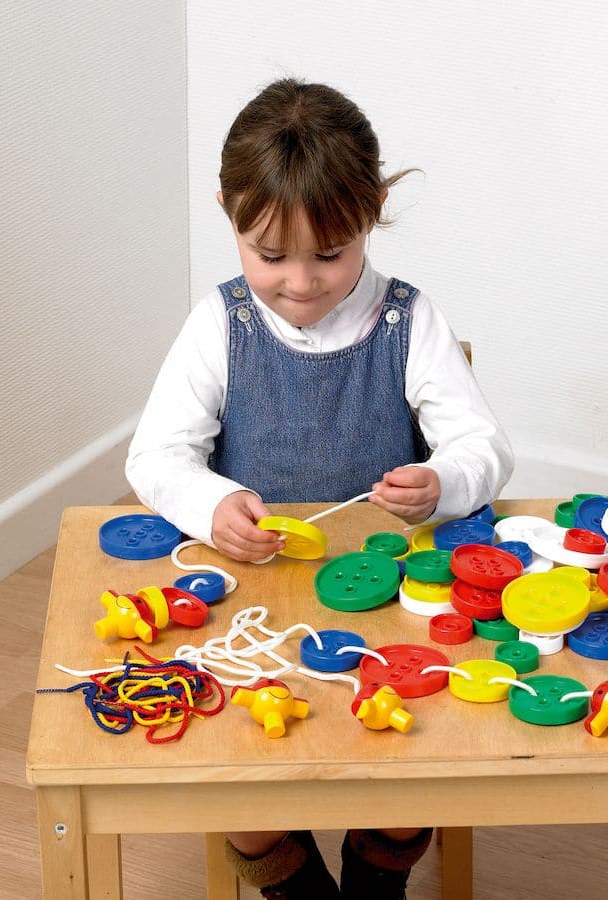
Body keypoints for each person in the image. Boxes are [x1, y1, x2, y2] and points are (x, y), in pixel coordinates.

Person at [126, 77, 513, 899]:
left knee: (409, 772)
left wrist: (442, 480)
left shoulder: (410, 322)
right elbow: (155, 457)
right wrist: (210, 505)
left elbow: (485, 448)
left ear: (370, 215)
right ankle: (292, 883)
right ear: (230, 214)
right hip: (253, 606)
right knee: (239, 776)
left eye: (328, 255)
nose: (299, 283)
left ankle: (377, 882)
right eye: (270, 256)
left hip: (390, 607)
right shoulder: (218, 325)